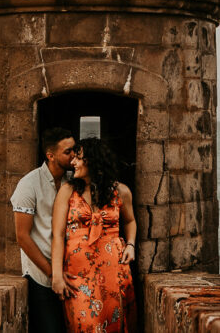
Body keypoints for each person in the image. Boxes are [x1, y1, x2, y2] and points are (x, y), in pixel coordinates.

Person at [51, 137, 137, 333]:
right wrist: (56, 275)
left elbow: (130, 221)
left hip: (114, 270)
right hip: (78, 275)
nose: (72, 163)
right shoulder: (68, 191)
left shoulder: (121, 191)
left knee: (115, 323)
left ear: (93, 160)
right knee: (84, 325)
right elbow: (57, 235)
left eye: (78, 158)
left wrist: (131, 245)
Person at [11, 127, 76, 333]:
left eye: (74, 150)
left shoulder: (72, 183)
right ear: (51, 155)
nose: (74, 155)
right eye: (68, 152)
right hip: (41, 276)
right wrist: (52, 273)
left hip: (70, 274)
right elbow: (22, 237)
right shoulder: (28, 184)